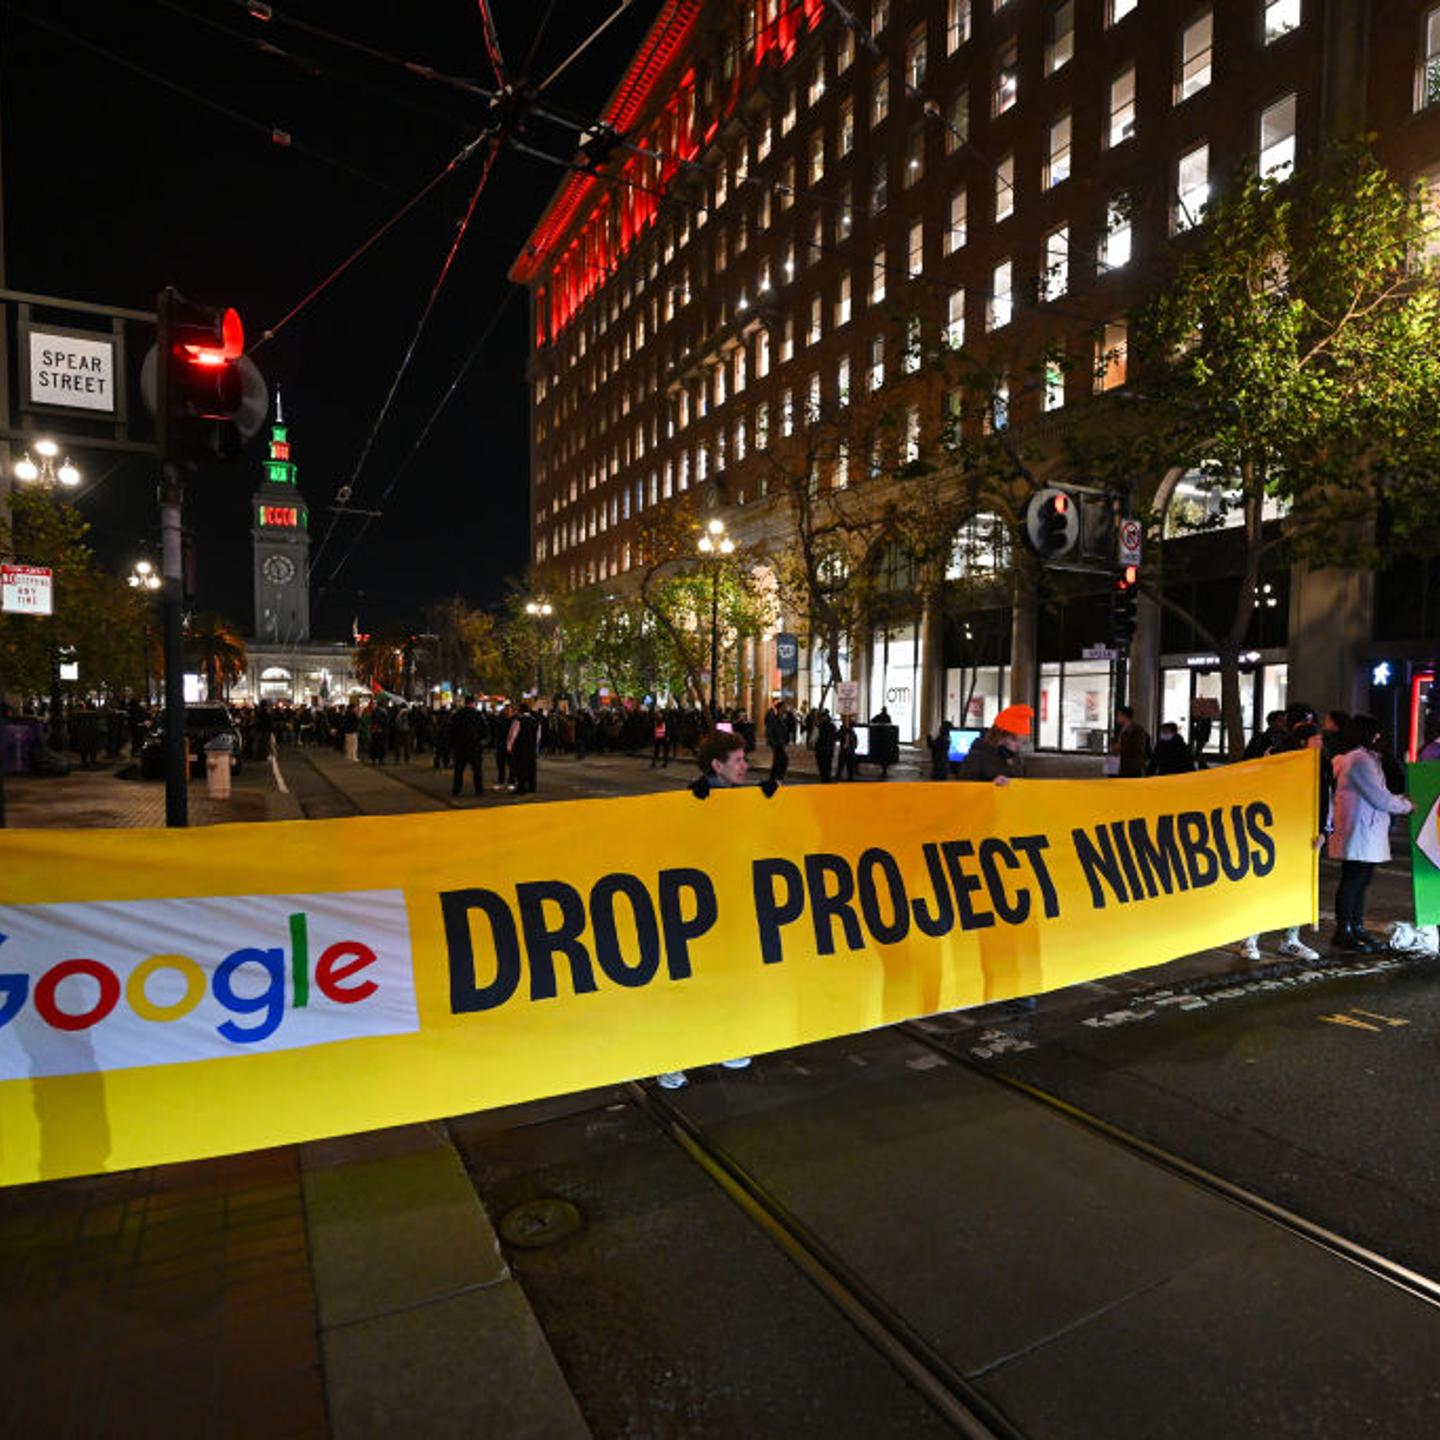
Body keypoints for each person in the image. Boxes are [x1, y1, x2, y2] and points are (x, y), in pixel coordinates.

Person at [657, 729, 778, 1091]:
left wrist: (772, 804)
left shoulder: (744, 799)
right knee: (691, 987)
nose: (745, 766)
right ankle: (671, 1059)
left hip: (732, 906)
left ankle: (723, 1042)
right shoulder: (693, 799)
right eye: (738, 760)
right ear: (716, 765)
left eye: (745, 759)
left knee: (728, 980)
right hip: (694, 911)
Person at [1329, 713, 1414, 952]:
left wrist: (1398, 800)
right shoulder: (1359, 760)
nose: (1380, 737)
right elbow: (1378, 797)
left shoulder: (1367, 758)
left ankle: (1355, 927)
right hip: (1359, 829)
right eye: (1376, 733)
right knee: (1353, 881)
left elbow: (1380, 793)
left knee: (1360, 880)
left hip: (1365, 829)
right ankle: (1344, 930)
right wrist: (1406, 805)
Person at [956, 705, 1032, 783]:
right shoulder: (977, 755)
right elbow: (964, 786)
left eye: (1023, 742)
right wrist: (991, 784)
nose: (1019, 746)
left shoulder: (1016, 759)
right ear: (999, 736)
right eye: (1014, 740)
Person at [449, 694, 486, 797]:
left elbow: (451, 730)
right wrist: (482, 740)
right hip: (474, 746)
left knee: (459, 770)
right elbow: (484, 730)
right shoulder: (478, 715)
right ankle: (479, 789)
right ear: (473, 703)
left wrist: (453, 743)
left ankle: (456, 789)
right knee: (477, 770)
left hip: (460, 746)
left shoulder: (457, 715)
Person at [1110, 705, 1151, 777]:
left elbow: (1138, 747)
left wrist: (1121, 747)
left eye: (1118, 715)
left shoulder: (1138, 730)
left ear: (1125, 716)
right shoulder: (1119, 729)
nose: (1117, 718)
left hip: (1131, 766)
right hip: (1116, 762)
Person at [764, 699, 790, 784]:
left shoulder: (782, 718)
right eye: (784, 707)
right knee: (783, 759)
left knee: (777, 761)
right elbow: (770, 730)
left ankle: (774, 779)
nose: (785, 709)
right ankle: (777, 778)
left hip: (780, 742)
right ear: (780, 708)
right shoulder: (774, 718)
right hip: (776, 742)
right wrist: (772, 741)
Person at [814, 709, 837, 782]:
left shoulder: (819, 727)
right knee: (827, 768)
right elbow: (835, 737)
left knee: (823, 770)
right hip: (829, 750)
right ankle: (827, 782)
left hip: (821, 751)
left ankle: (825, 782)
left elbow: (815, 739)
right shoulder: (832, 726)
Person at [837, 716, 860, 781]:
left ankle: (850, 779)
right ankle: (838, 778)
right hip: (844, 751)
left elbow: (855, 741)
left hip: (850, 752)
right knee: (840, 767)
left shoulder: (852, 732)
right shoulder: (842, 731)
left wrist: (853, 748)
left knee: (850, 769)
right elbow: (837, 736)